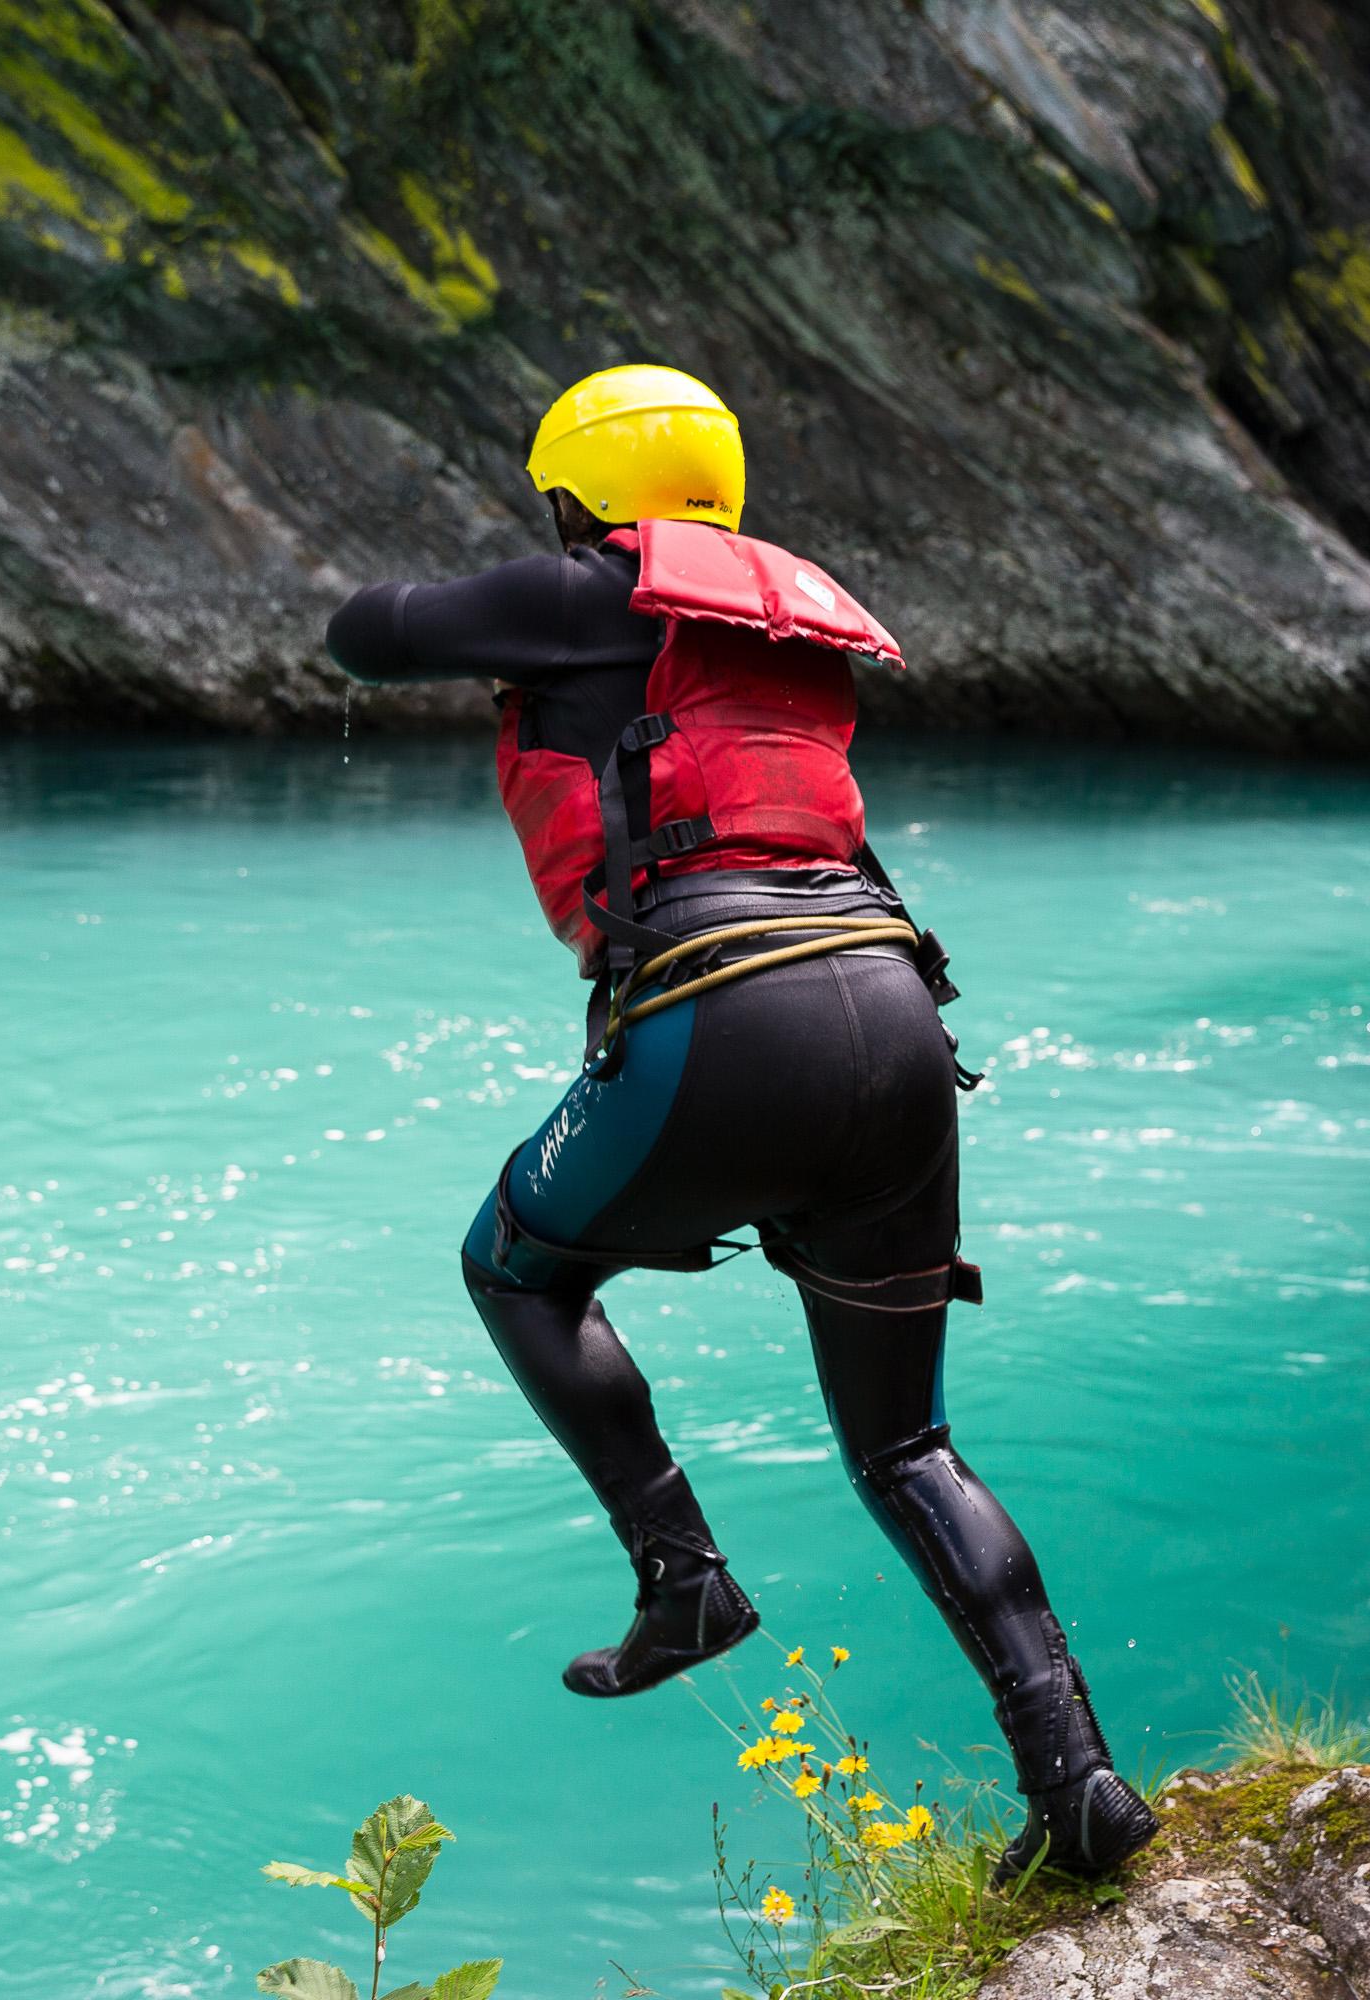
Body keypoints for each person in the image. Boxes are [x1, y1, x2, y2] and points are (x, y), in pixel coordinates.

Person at [323, 364, 1157, 1880]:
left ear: (579, 489)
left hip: (729, 1005)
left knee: (515, 1265)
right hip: (895, 1010)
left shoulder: (589, 593)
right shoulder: (781, 610)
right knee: (908, 1443)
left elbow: (366, 635)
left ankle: (684, 1575)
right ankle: (1079, 1786)